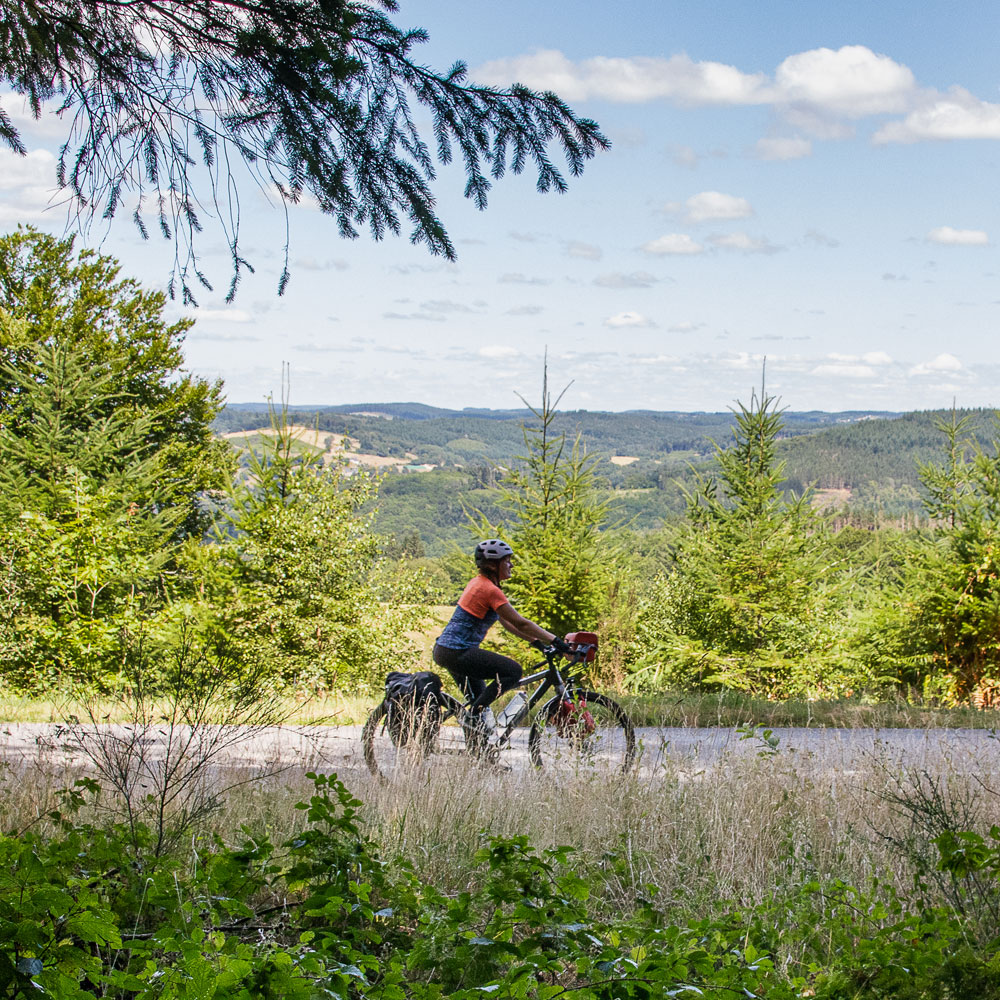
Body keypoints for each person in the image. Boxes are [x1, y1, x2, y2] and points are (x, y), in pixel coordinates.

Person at [432, 539, 569, 736]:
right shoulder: (489, 589)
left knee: (481, 703)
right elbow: (521, 622)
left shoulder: (480, 583)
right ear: (492, 565)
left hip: (448, 651)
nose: (511, 564)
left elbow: (508, 623)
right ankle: (472, 716)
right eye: (507, 561)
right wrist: (556, 641)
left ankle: (482, 753)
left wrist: (538, 644)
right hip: (457, 652)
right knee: (512, 671)